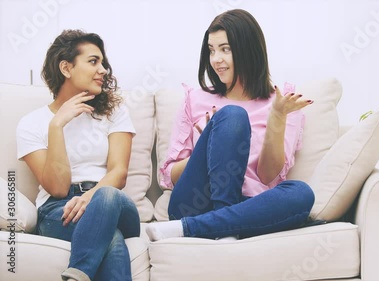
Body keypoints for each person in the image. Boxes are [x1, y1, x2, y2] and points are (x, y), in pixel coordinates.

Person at [146, 9, 315, 241]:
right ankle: (224, 228)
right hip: (195, 202)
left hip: (248, 206)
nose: (216, 59)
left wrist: (276, 116)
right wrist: (207, 147)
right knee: (233, 116)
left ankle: (201, 228)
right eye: (211, 50)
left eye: (225, 49)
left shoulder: (282, 103)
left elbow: (267, 177)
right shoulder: (194, 99)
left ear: (248, 50)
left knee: (302, 193)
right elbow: (170, 177)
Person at [16, 29, 140, 281]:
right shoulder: (32, 123)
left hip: (112, 202)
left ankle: (78, 273)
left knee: (106, 197)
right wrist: (56, 126)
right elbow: (58, 188)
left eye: (103, 62)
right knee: (111, 238)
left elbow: (119, 172)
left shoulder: (113, 112)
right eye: (93, 61)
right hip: (58, 209)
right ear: (66, 68)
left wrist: (90, 198)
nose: (103, 69)